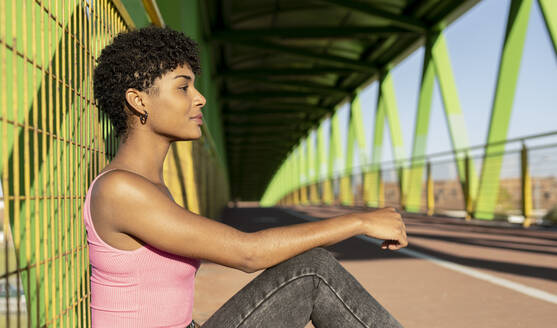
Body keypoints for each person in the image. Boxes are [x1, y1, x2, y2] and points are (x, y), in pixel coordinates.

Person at [86, 26, 408, 328]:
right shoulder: (121, 190)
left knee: (313, 268)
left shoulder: (147, 186)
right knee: (313, 271)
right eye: (183, 87)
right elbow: (248, 253)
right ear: (138, 100)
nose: (200, 98)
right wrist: (359, 222)